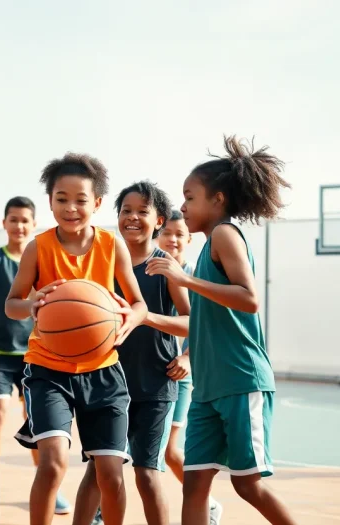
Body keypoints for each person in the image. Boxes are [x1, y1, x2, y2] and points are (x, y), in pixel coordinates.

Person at [147, 136, 297, 525]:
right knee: (194, 483)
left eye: (189, 196)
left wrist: (185, 280)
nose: (182, 205)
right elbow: (205, 324)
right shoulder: (205, 248)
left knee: (248, 486)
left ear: (218, 199)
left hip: (240, 380)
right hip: (208, 387)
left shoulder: (225, 235)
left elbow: (249, 298)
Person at [5, 153, 148, 525]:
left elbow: (139, 305)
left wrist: (129, 319)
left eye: (81, 200)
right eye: (61, 199)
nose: (71, 208)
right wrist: (32, 302)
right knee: (53, 464)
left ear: (97, 203)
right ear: (50, 202)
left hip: (103, 370)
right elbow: (11, 306)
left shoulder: (111, 245)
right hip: (48, 368)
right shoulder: (39, 247)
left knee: (111, 474)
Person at [72, 181, 191, 525]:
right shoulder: (102, 259)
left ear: (159, 221)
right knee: (98, 469)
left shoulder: (165, 265)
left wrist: (182, 354)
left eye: (143, 211)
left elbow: (191, 322)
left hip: (156, 383)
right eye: (126, 210)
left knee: (146, 474)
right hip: (106, 383)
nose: (133, 217)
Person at [0, 196, 72, 515]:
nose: (18, 225)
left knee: (37, 421)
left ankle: (47, 484)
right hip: (0, 352)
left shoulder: (40, 259)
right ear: (4, 224)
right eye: (13, 219)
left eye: (25, 220)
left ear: (33, 225)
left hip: (34, 353)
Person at [157, 211, 223, 524]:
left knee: (164, 452)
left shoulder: (194, 275)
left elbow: (203, 325)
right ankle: (207, 505)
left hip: (178, 375)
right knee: (151, 451)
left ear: (188, 239)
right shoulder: (148, 271)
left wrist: (186, 358)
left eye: (178, 234)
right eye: (166, 232)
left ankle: (206, 505)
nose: (172, 238)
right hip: (145, 372)